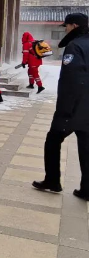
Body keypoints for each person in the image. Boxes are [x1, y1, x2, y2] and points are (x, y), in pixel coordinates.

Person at [33, 13, 89, 199]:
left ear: (74, 26)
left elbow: (72, 80)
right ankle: (87, 188)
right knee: (86, 145)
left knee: (52, 140)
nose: (65, 29)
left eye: (66, 26)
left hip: (73, 107)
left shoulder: (75, 46)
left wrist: (65, 109)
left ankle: (52, 180)